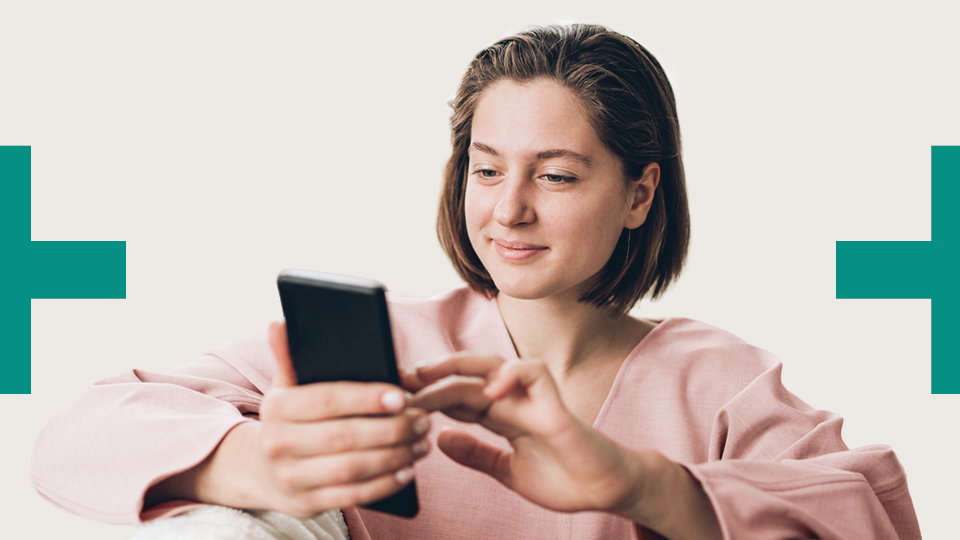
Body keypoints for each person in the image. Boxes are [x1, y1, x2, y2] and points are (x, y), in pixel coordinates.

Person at [31, 24, 920, 540]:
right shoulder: (385, 348)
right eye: (486, 170)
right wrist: (255, 463)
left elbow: (868, 513)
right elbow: (83, 432)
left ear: (640, 193)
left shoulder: (718, 382)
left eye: (557, 175)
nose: (509, 210)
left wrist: (643, 485)